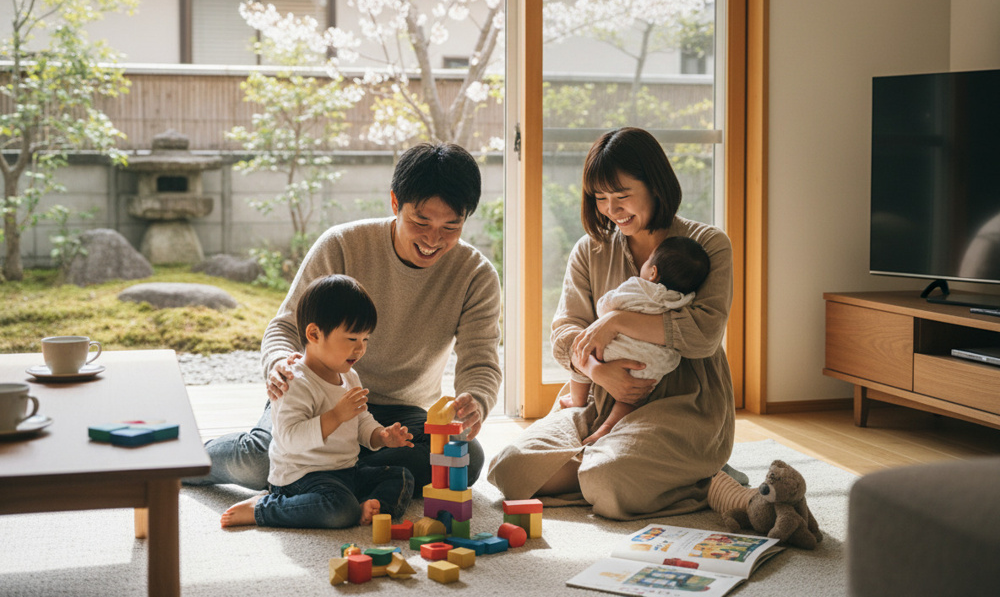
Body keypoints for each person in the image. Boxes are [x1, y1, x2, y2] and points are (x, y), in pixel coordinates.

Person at [189, 142, 502, 491]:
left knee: (464, 457)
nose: (433, 238)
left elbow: (481, 362)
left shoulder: (476, 274)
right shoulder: (341, 245)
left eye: (451, 226)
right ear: (395, 203)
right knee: (260, 462)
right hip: (320, 395)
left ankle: (328, 475)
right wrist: (279, 363)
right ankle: (186, 460)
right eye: (421, 221)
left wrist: (476, 400)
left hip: (403, 412)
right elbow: (287, 327)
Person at [488, 127, 739, 520]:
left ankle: (695, 477)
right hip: (600, 399)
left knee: (608, 478)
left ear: (655, 185)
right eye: (600, 198)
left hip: (684, 405)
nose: (611, 209)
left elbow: (704, 334)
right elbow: (564, 334)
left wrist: (618, 321)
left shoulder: (707, 245)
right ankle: (649, 473)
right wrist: (598, 371)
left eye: (622, 196)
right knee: (510, 469)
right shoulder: (590, 250)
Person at [221, 275, 414, 529]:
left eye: (365, 339)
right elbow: (290, 438)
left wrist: (381, 436)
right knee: (339, 509)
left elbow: (362, 420)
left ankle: (371, 508)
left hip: (346, 470)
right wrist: (336, 416)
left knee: (401, 476)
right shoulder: (294, 381)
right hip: (301, 477)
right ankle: (263, 508)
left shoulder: (350, 375)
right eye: (352, 339)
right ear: (314, 334)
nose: (360, 349)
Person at [559, 235, 711, 445]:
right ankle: (607, 428)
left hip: (617, 351)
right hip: (652, 362)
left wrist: (609, 318)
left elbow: (606, 305)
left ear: (653, 272)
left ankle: (577, 400)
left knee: (583, 348)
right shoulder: (684, 299)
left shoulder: (638, 287)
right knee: (631, 397)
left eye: (648, 261)